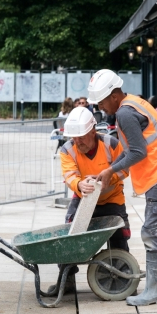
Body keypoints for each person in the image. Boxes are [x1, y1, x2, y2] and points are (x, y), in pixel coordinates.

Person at [89, 69, 157, 307]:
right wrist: (109, 170)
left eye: (102, 101)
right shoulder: (132, 102)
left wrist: (110, 171)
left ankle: (155, 291)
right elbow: (132, 151)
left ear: (114, 95)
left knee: (152, 231)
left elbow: (137, 152)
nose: (101, 107)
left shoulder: (125, 114)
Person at [48, 107, 130, 294]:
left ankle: (124, 277)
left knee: (120, 235)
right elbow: (69, 175)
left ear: (93, 131)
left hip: (112, 197)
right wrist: (79, 184)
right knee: (71, 236)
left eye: (82, 137)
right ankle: (66, 280)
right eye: (74, 138)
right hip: (84, 198)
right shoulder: (67, 149)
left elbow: (125, 169)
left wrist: (108, 177)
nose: (78, 142)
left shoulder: (111, 143)